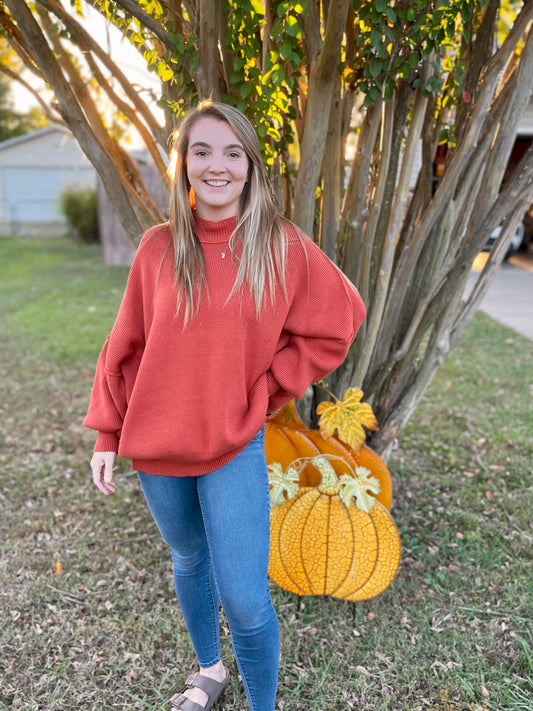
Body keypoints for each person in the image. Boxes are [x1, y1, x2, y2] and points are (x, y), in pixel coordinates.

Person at [84, 100, 366, 711]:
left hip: (233, 441)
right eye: (202, 151)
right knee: (189, 558)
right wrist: (107, 433)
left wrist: (266, 390)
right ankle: (210, 670)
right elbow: (123, 343)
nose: (217, 166)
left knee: (243, 595)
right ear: (183, 164)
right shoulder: (158, 249)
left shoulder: (280, 247)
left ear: (250, 166)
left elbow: (339, 322)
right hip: (156, 443)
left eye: (232, 153)